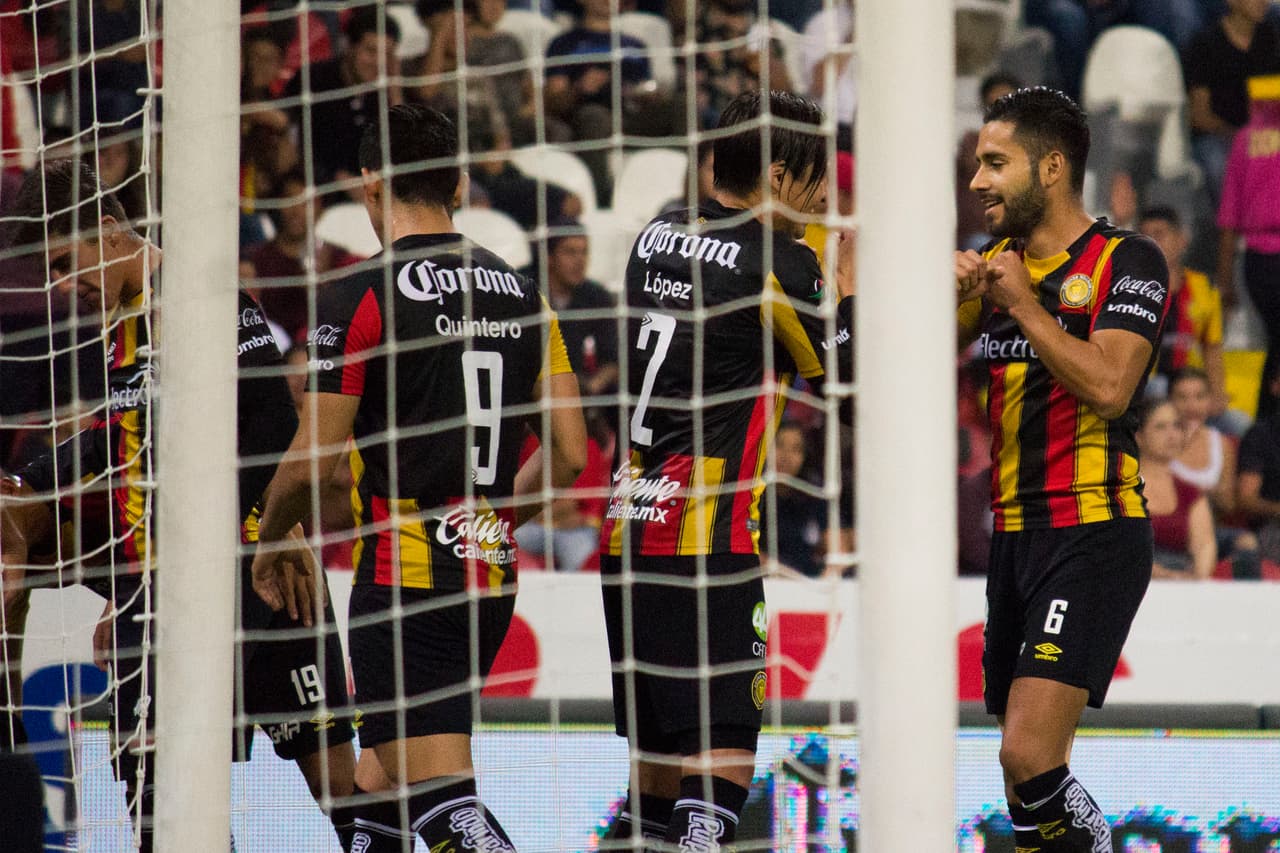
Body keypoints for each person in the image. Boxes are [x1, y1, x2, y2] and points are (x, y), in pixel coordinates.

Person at [250, 103, 586, 852]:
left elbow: (313, 462)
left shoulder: (358, 293)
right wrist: (494, 521)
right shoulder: (523, 293)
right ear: (459, 184)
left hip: (404, 575)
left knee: (438, 796)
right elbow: (569, 451)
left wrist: (269, 540)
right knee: (374, 795)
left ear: (371, 187)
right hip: (490, 578)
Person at [1, 159, 359, 850]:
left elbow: (272, 424)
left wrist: (278, 533)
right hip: (171, 594)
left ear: (108, 231)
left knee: (340, 789)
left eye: (65, 262)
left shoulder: (200, 294)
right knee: (163, 810)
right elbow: (127, 453)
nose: (63, 284)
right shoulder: (117, 326)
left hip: (256, 582)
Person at [599, 90, 854, 849]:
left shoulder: (658, 233)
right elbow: (844, 373)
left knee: (654, 777)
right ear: (778, 172)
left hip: (627, 533)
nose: (824, 191)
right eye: (815, 174)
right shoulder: (780, 263)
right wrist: (844, 282)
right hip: (704, 545)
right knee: (719, 771)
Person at [956, 87, 1170, 851]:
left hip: (1094, 531)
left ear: (1051, 167)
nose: (977, 180)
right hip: (1014, 536)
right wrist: (940, 301)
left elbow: (1113, 387)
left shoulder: (1127, 260)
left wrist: (1026, 307)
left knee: (1028, 753)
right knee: (1021, 779)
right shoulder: (993, 270)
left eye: (994, 162)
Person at [1216, 73, 1280, 418]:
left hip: (1258, 262)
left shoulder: (1245, 139)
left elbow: (1230, 216)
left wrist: (1226, 279)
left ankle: (1264, 425)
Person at [1183, 0, 1280, 204]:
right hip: (1218, 135)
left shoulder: (1271, 40)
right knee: (1219, 165)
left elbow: (1272, 100)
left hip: (1263, 132)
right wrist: (1239, 137)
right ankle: (1233, 230)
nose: (1263, 2)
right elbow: (1200, 115)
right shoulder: (1205, 44)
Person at [1138, 206, 1231, 417]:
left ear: (1182, 240)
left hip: (1191, 389)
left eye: (1159, 234)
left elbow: (1212, 348)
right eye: (1145, 236)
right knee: (1158, 387)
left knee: (1240, 425)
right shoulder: (1131, 288)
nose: (1151, 242)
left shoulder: (1204, 287)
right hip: (1147, 391)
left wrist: (1218, 394)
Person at [1136, 398, 1218, 578]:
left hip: (1180, 580)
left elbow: (1204, 544)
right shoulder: (1121, 488)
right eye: (1160, 427)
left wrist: (1197, 579)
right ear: (1139, 436)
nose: (1172, 435)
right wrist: (1163, 575)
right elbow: (1121, 549)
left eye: (1177, 426)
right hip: (1134, 579)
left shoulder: (1189, 492)